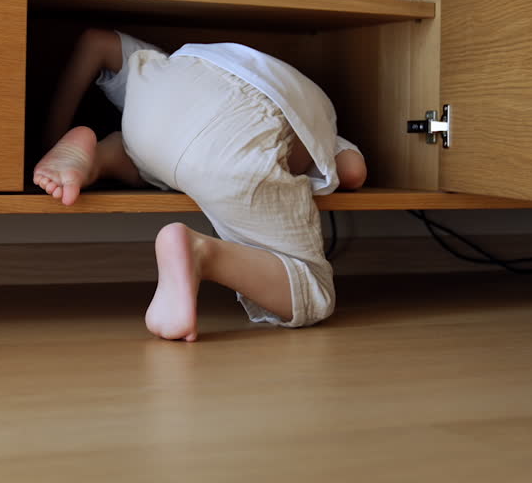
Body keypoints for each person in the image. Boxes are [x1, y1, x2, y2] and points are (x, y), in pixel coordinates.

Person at [34, 28, 367, 341]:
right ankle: (200, 253)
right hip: (239, 141)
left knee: (142, 154)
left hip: (151, 110)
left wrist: (47, 141)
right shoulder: (316, 108)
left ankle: (94, 159)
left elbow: (95, 42)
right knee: (313, 293)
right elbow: (353, 172)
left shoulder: (165, 60)